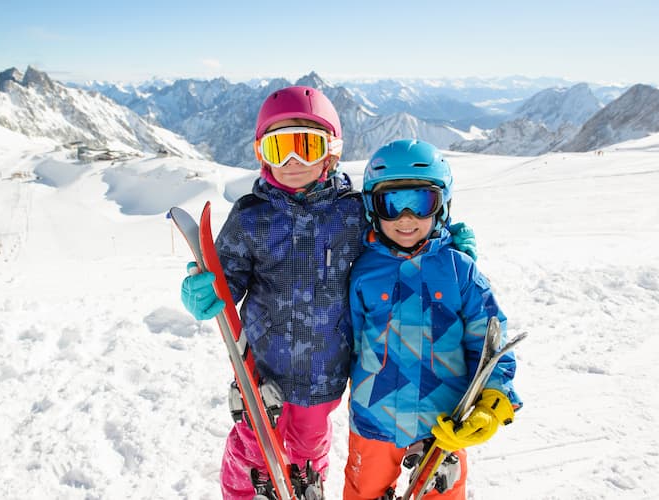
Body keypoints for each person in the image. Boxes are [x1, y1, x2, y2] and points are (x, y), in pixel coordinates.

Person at [179, 86, 477, 499]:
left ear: (331, 152)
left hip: (326, 373)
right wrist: (207, 289)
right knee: (252, 452)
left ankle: (307, 488)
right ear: (262, 152)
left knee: (308, 449)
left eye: (307, 145)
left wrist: (443, 247)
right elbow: (226, 279)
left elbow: (399, 239)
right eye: (279, 147)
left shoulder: (353, 212)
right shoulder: (250, 217)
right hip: (263, 369)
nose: (293, 161)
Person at [343, 139, 522, 500]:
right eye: (391, 204)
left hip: (443, 427)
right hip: (373, 422)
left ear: (442, 206)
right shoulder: (362, 271)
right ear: (371, 208)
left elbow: (490, 341)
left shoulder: (460, 271)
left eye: (421, 202)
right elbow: (350, 340)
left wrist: (492, 399)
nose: (406, 218)